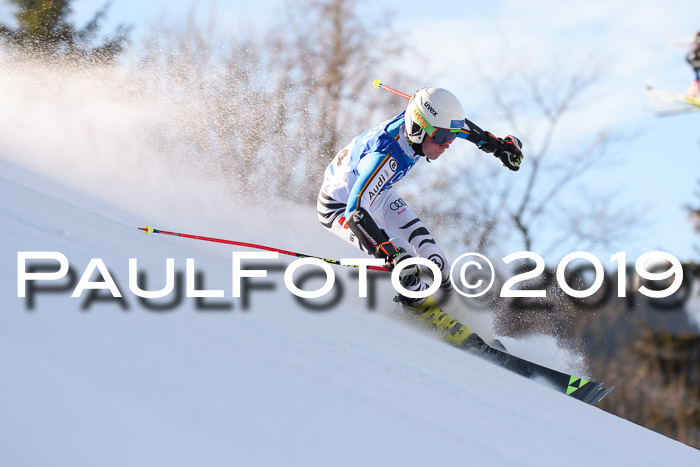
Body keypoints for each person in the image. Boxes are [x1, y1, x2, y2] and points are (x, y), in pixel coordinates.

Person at [317, 86, 523, 350]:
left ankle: (452, 313)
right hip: (340, 206)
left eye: (450, 137)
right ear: (418, 129)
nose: (448, 144)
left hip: (377, 193)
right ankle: (416, 309)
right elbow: (355, 211)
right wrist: (391, 254)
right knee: (402, 253)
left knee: (435, 258)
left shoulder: (431, 128)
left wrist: (496, 146)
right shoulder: (384, 155)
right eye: (442, 139)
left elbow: (462, 129)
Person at [685, 31, 700, 98]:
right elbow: (688, 58)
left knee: (697, 79)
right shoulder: (694, 52)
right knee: (697, 79)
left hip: (696, 65)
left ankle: (694, 94)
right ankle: (693, 94)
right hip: (696, 66)